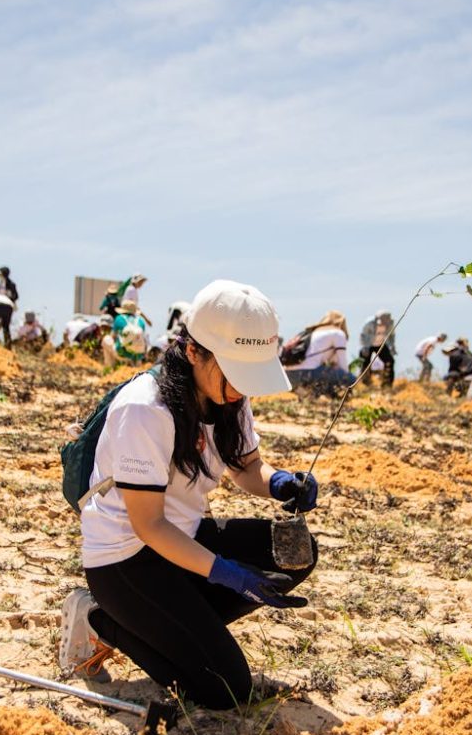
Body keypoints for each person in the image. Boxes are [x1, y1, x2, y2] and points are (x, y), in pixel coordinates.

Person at [59, 279, 319, 710]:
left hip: (184, 536)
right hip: (126, 559)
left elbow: (247, 467)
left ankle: (177, 627)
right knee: (226, 690)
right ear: (194, 352)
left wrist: (278, 482)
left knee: (296, 551)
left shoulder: (230, 396)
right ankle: (104, 620)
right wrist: (227, 574)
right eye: (236, 373)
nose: (242, 389)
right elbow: (149, 525)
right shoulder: (146, 409)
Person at [284, 311, 357, 392]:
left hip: (288, 376)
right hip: (309, 373)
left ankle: (308, 394)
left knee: (325, 375)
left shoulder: (312, 332)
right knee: (351, 379)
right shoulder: (337, 333)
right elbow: (342, 364)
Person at [359, 310, 396, 387]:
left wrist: (392, 346)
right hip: (369, 345)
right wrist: (365, 347)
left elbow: (391, 335)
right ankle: (366, 382)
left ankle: (387, 383)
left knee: (390, 361)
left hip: (381, 344)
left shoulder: (390, 324)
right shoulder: (369, 323)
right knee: (365, 364)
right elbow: (363, 335)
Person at [112, 299, 149, 364]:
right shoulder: (140, 321)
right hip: (138, 355)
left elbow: (113, 336)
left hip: (122, 353)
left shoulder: (119, 318)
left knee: (106, 339)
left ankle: (110, 368)